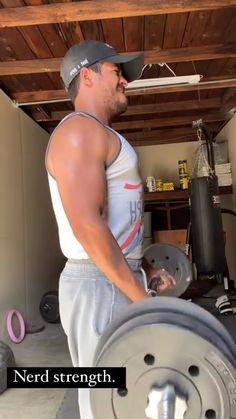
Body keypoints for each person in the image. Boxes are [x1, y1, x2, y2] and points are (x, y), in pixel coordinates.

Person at [45, 40, 176, 418]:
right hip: (99, 284)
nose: (125, 82)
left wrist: (145, 269)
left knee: (132, 392)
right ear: (87, 75)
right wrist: (139, 294)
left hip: (112, 279)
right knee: (108, 402)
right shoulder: (79, 132)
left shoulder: (98, 133)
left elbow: (115, 223)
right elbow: (88, 226)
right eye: (117, 72)